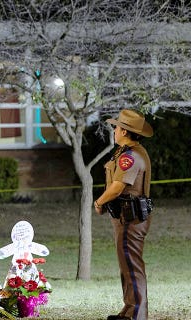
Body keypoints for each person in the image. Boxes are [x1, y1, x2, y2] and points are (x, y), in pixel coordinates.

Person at [94, 109, 153, 320]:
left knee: (132, 265)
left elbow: (118, 187)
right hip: (126, 217)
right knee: (127, 265)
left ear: (125, 131)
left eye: (117, 127)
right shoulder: (127, 151)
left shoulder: (130, 156)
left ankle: (136, 314)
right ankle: (129, 310)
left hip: (131, 218)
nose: (114, 130)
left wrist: (99, 201)